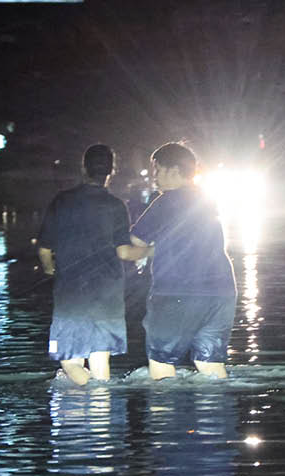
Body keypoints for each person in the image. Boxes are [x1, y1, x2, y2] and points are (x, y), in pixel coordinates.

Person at [38, 144, 146, 385]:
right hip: (108, 296)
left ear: (83, 168)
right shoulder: (117, 206)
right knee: (100, 361)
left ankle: (91, 392)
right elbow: (124, 251)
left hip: (71, 295)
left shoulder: (62, 201)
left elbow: (45, 248)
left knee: (70, 361)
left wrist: (49, 268)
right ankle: (102, 411)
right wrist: (150, 251)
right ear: (111, 171)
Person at [129, 142, 237, 380]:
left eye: (157, 170)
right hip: (221, 293)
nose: (154, 177)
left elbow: (136, 241)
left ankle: (165, 417)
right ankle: (215, 414)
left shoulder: (166, 201)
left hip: (177, 292)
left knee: (161, 364)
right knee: (209, 364)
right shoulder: (208, 200)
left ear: (175, 170)